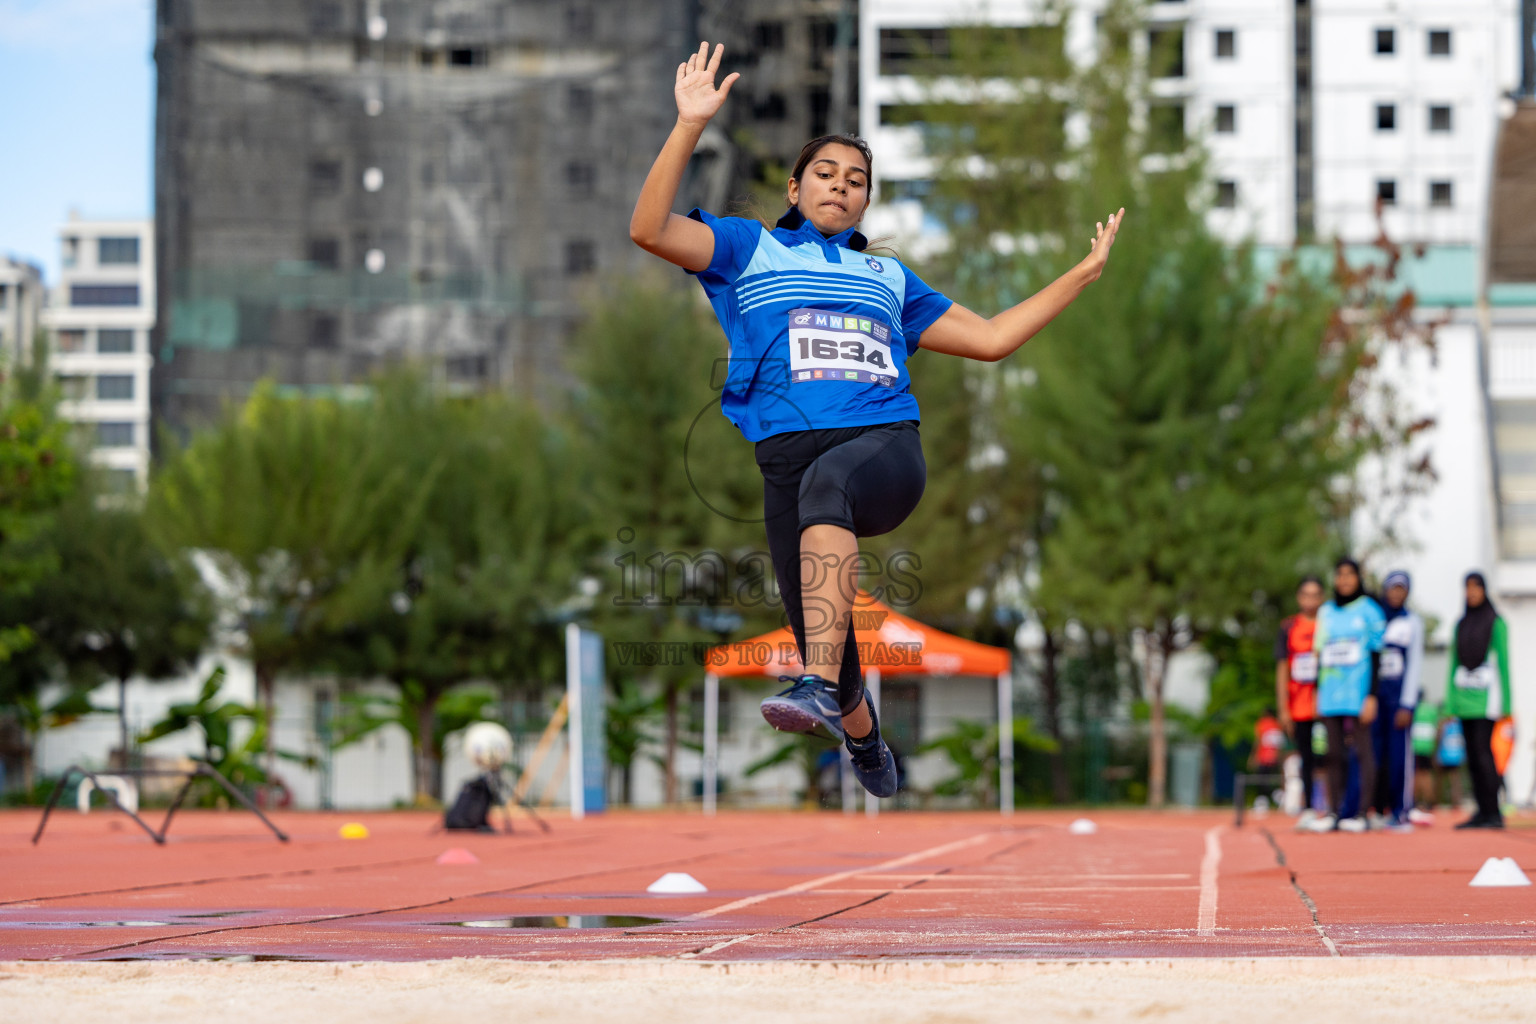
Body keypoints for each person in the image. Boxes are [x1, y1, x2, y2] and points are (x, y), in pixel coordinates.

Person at [629, 42, 1125, 797]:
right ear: (796, 188)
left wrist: (1080, 276)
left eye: (857, 181)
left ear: (866, 203)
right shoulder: (747, 247)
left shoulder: (887, 276)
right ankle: (862, 736)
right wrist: (688, 125)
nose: (841, 186)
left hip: (883, 448)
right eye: (826, 174)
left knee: (830, 507)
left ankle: (819, 688)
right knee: (820, 629)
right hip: (784, 462)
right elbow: (649, 228)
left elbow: (991, 340)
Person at [1309, 558, 1385, 833]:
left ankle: (1363, 812)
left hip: (1359, 693)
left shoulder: (1370, 610)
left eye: (1350, 574)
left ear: (1358, 578)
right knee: (1333, 754)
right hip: (1330, 693)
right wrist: (1318, 692)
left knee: (1363, 752)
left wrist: (1372, 696)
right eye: (1339, 574)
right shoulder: (1326, 611)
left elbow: (1377, 656)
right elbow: (1319, 654)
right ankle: (1335, 812)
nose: (1344, 580)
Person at [1447, 572, 1512, 829]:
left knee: (1485, 754)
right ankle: (1481, 811)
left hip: (1487, 701)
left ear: (1485, 590)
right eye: (1467, 588)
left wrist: (1507, 703)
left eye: (1476, 588)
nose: (1471, 593)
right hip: (1464, 700)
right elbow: (1453, 665)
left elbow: (1504, 664)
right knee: (1471, 756)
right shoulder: (1460, 624)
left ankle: (1494, 811)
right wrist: (1451, 703)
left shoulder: (1496, 623)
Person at [1368, 570, 1424, 829]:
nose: (1397, 593)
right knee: (1373, 756)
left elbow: (1414, 665)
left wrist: (1407, 703)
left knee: (1398, 758)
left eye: (1402, 589)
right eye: (1393, 588)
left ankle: (1400, 810)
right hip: (1375, 699)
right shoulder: (1374, 617)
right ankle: (1375, 809)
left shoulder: (1412, 622)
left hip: (1398, 700)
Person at [1275, 575, 1324, 829]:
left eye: (1316, 594)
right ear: (1299, 597)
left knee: (1332, 756)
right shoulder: (1288, 627)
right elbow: (1282, 668)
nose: (1311, 600)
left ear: (1322, 598)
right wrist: (1283, 707)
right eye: (1306, 594)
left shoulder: (1330, 624)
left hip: (1327, 704)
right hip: (1299, 705)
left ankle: (1334, 807)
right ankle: (1308, 809)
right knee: (1306, 756)